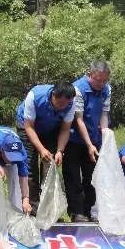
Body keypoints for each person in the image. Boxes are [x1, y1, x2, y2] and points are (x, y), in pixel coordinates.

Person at [16, 81, 75, 214]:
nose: (63, 107)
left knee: (50, 165)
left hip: (50, 128)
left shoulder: (71, 103)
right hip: (27, 126)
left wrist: (60, 150)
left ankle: (47, 209)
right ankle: (32, 208)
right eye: (60, 103)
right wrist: (41, 149)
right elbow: (29, 126)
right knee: (29, 165)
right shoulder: (35, 96)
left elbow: (65, 129)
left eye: (66, 104)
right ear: (53, 95)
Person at [65, 60, 112, 223]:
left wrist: (105, 136)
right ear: (90, 74)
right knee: (73, 176)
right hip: (73, 138)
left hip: (94, 137)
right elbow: (79, 120)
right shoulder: (78, 88)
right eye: (98, 80)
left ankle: (88, 209)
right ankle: (76, 212)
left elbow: (104, 115)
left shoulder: (107, 89)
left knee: (91, 176)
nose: (101, 83)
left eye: (104, 80)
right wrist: (89, 144)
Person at [0, 125, 31, 214]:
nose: (12, 161)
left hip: (4, 143)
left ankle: (16, 215)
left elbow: (23, 176)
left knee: (15, 181)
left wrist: (25, 199)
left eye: (15, 157)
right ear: (2, 150)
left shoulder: (21, 152)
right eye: (10, 157)